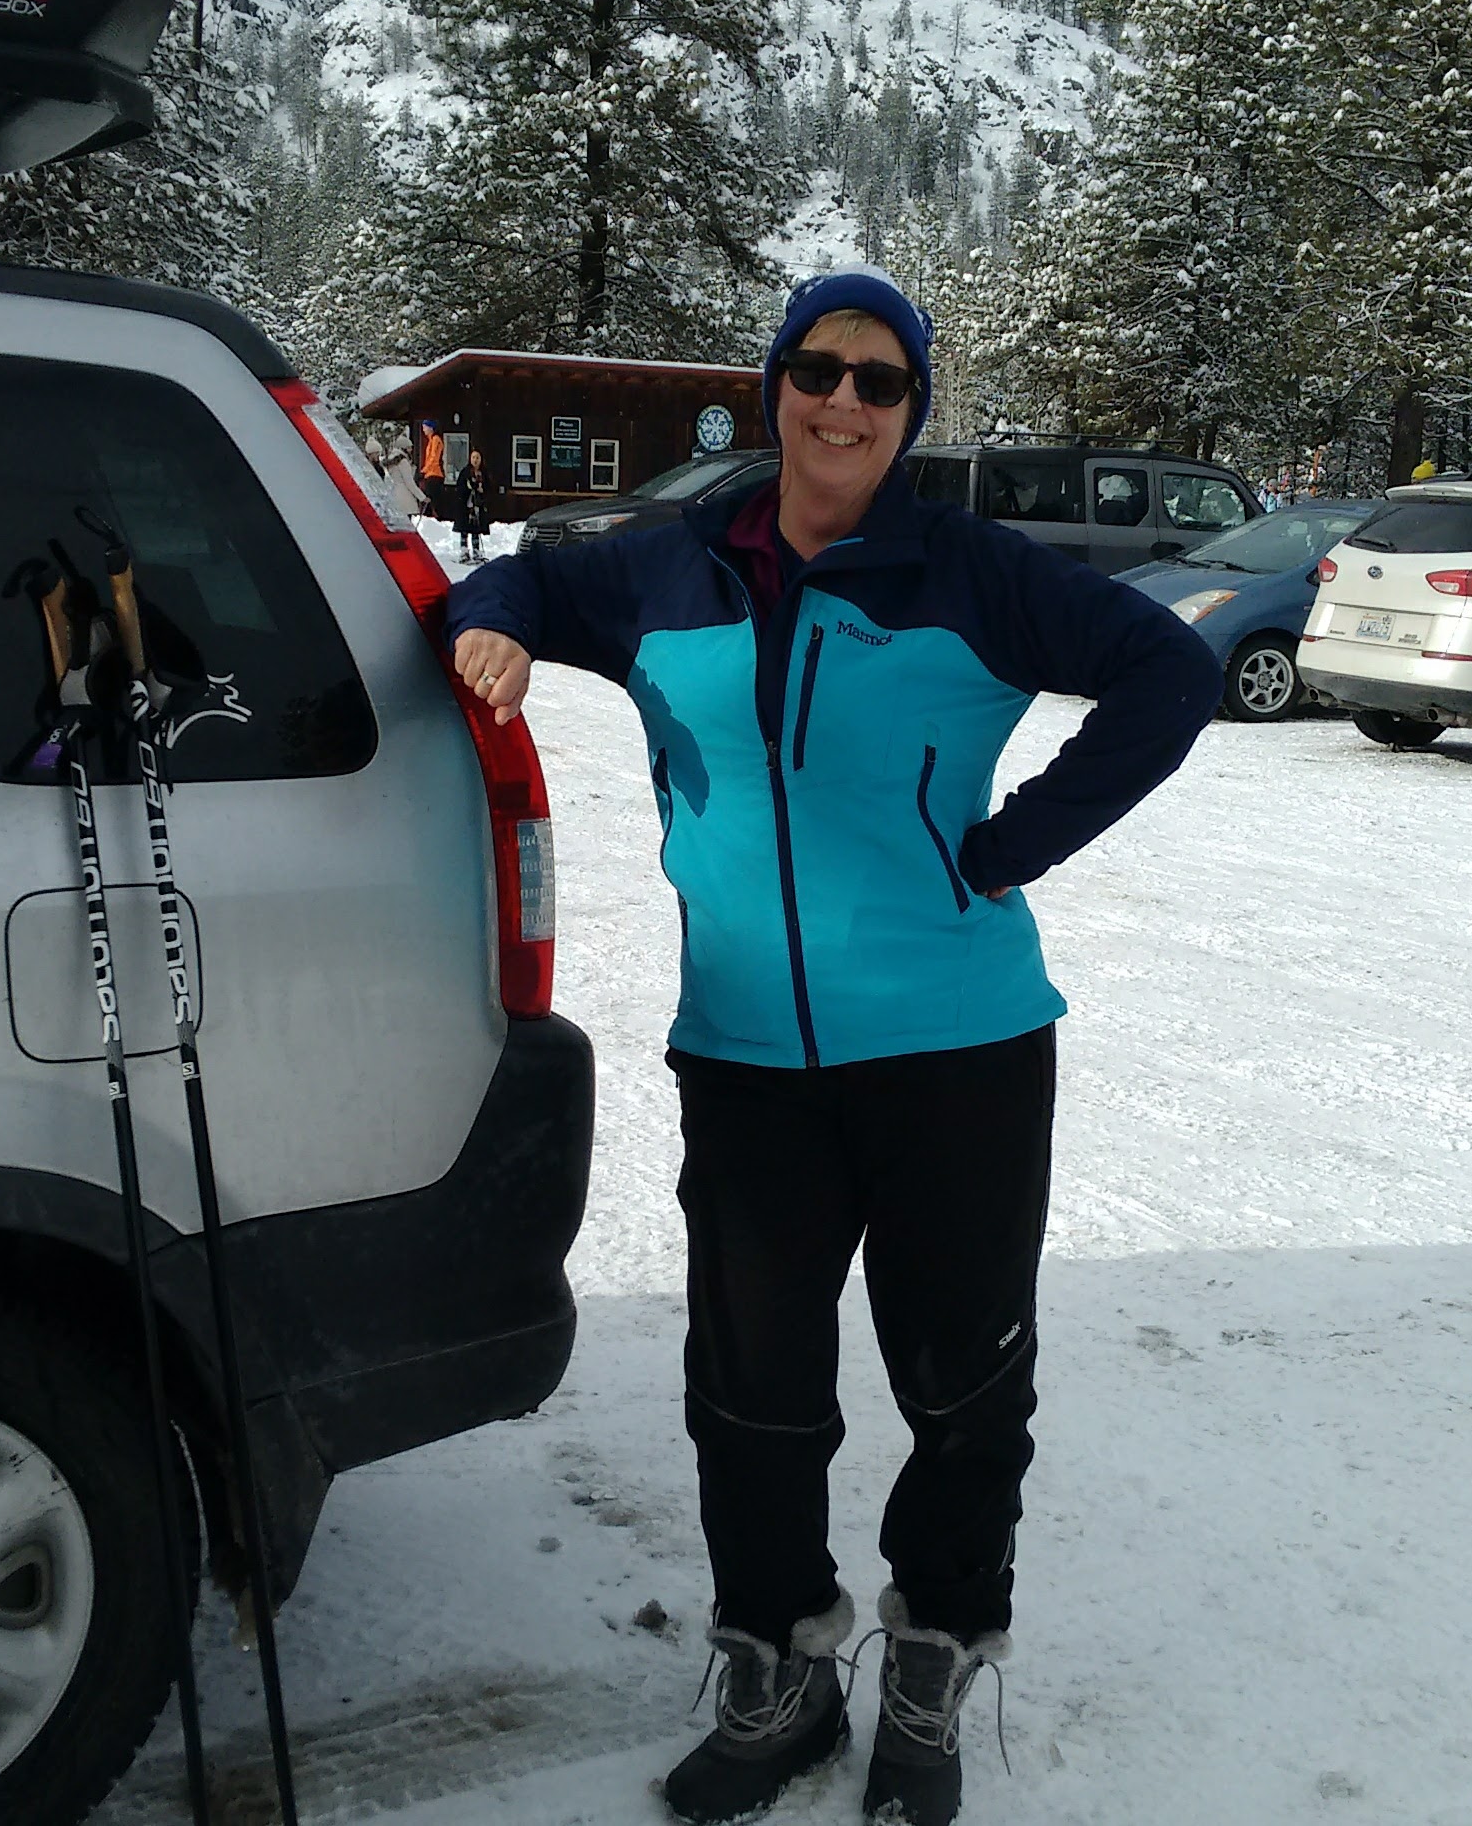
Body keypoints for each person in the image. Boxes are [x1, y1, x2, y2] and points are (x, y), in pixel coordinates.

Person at [447, 265, 1219, 1826]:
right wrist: (487, 627)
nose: (846, 402)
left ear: (912, 408)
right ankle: (782, 1662)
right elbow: (520, 585)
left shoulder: (969, 569)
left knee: (963, 1380)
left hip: (959, 1054)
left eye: (882, 381)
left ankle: (931, 1657)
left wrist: (1008, 849)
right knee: (752, 1387)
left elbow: (1174, 669)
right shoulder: (669, 571)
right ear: (775, 384)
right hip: (744, 1058)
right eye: (820, 369)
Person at [453, 446, 492, 562]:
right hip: (466, 504)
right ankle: (464, 550)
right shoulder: (465, 472)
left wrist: (482, 491)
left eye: (477, 458)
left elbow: (489, 488)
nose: (475, 460)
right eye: (473, 457)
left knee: (476, 529)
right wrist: (468, 489)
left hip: (478, 505)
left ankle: (476, 551)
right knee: (464, 528)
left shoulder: (483, 473)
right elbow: (459, 487)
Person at [418, 419, 447, 516]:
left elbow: (434, 458)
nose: (423, 430)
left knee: (433, 500)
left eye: (425, 427)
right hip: (430, 473)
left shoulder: (435, 440)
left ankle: (435, 517)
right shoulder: (431, 440)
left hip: (435, 474)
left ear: (431, 428)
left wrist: (423, 471)